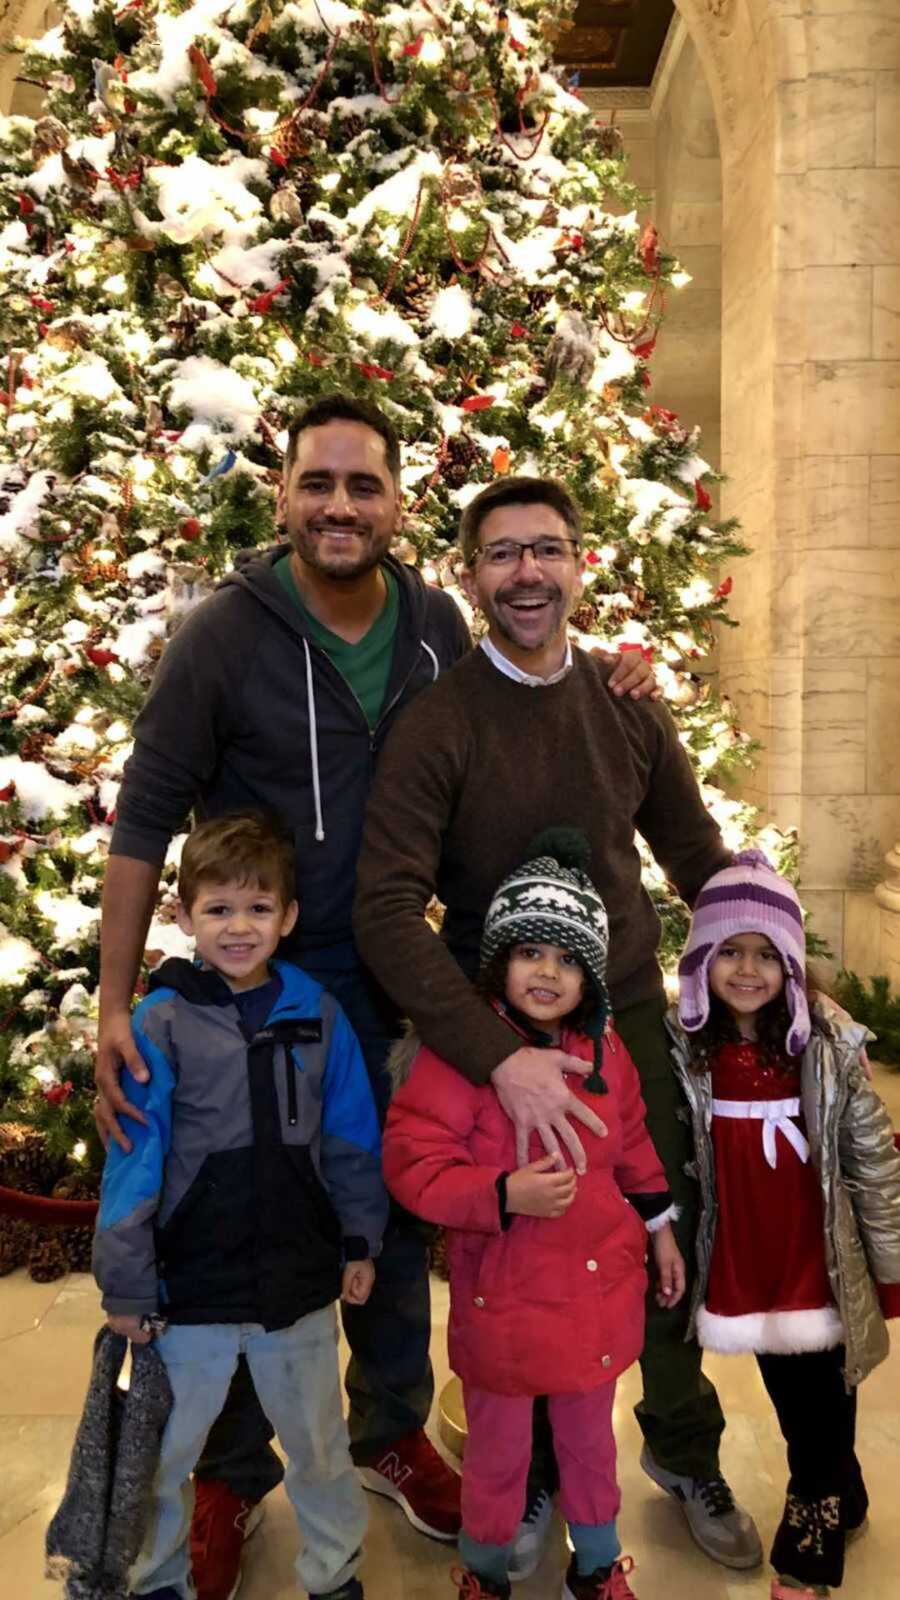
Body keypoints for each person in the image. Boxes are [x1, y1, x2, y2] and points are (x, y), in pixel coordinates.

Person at [93, 396, 656, 1598]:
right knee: (243, 1205)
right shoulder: (223, 639)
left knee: (396, 1200)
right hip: (260, 974)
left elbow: (523, 681)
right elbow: (144, 818)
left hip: (406, 965)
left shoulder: (436, 622)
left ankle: (389, 1421)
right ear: (284, 493)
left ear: (398, 501)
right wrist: (110, 1002)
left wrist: (611, 677)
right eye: (318, 483)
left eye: (364, 485)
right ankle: (230, 1474)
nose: (340, 505)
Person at [354, 473, 765, 1574]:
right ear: (469, 573)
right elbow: (386, 907)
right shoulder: (439, 723)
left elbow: (696, 855)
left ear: (579, 564)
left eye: (546, 550)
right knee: (522, 1260)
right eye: (501, 554)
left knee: (655, 1230)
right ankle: (532, 1466)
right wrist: (497, 1059)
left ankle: (682, 1447)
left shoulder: (625, 704)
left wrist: (777, 958)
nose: (526, 573)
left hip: (624, 1013)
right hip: (496, 1029)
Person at [91, 812, 389, 1600]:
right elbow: (133, 1161)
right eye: (218, 909)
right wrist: (127, 1283)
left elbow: (353, 1139)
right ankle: (157, 1579)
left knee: (322, 1447)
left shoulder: (317, 1017)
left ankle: (334, 1574)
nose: (238, 927)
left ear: (287, 918)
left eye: (258, 909)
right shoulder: (160, 1021)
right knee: (164, 1453)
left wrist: (360, 1241)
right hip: (190, 1293)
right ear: (184, 915)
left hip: (296, 1286)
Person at [383, 832, 686, 1600]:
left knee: (590, 1446)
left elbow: (635, 1146)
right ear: (499, 962)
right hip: (507, 1301)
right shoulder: (464, 1055)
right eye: (530, 953)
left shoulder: (606, 1050)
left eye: (569, 958)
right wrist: (500, 1194)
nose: (548, 972)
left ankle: (597, 1564)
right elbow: (414, 1163)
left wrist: (660, 1228)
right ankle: (484, 1571)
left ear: (591, 976)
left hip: (594, 1293)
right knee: (498, 1454)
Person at [667, 848, 900, 1600]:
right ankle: (849, 1496)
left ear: (793, 965)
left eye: (766, 954)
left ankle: (808, 1560)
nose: (746, 969)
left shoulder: (828, 1049)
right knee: (798, 1403)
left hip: (822, 1264)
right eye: (729, 950)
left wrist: (891, 1269)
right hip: (749, 1267)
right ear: (701, 956)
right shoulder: (691, 1052)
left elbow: (873, 1162)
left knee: (815, 1424)